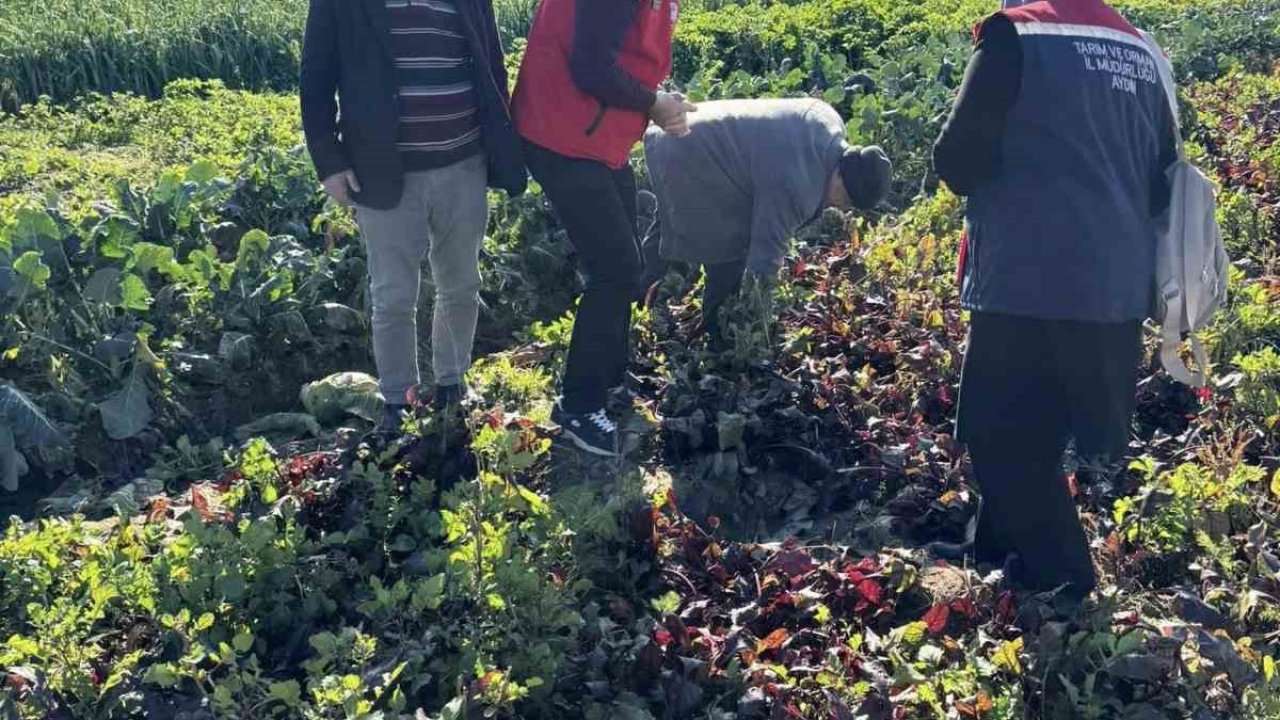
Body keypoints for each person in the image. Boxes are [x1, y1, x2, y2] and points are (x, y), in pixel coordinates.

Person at [932, 0, 1179, 599]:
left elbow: (958, 161)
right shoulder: (1142, 49)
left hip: (1029, 277)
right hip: (1117, 288)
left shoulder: (1015, 34)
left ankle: (1065, 583)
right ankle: (994, 551)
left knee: (999, 438)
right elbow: (1163, 172)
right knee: (1039, 433)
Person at [300, 0, 527, 436]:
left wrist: (503, 147)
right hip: (383, 169)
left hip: (464, 163)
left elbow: (490, 64)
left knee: (461, 282)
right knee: (392, 294)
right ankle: (397, 401)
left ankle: (452, 385)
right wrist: (329, 161)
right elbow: (316, 76)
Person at [512, 0, 694, 457]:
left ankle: (611, 378)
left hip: (594, 136)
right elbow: (591, 65)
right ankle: (577, 405)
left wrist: (658, 98)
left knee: (624, 260)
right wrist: (653, 103)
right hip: (563, 135)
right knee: (615, 268)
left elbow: (625, 51)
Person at [641, 98, 892, 340]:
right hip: (689, 151)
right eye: (847, 200)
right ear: (839, 175)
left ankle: (631, 296)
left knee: (669, 226)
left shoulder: (828, 124)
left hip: (684, 129)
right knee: (728, 248)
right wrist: (756, 323)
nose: (844, 208)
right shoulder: (799, 184)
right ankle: (712, 331)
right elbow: (765, 254)